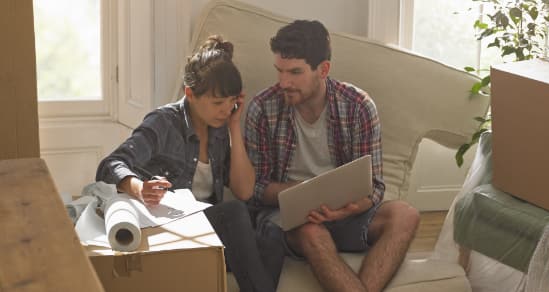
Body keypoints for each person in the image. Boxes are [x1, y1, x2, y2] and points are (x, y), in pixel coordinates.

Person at [96, 35, 282, 292]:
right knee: (235, 212)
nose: (225, 109)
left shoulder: (220, 128)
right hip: (165, 228)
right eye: (218, 103)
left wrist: (235, 126)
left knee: (273, 235)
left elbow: (244, 190)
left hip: (205, 232)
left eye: (231, 102)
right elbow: (110, 165)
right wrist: (140, 188)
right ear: (190, 94)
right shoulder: (163, 123)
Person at [244, 20, 420, 292]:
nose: (283, 82)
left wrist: (351, 208)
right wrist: (300, 193)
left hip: (345, 214)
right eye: (279, 71)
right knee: (312, 232)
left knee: (405, 215)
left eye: (295, 72)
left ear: (323, 69)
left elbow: (374, 188)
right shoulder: (262, 109)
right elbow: (255, 190)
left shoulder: (358, 106)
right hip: (290, 219)